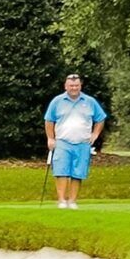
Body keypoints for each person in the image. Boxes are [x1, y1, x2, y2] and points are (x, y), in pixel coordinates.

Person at [42, 74, 108, 207]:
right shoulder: (57, 101)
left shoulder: (89, 101)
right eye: (71, 85)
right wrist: (50, 138)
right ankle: (61, 200)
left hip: (83, 142)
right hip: (62, 141)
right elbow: (49, 120)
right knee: (61, 171)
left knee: (78, 173)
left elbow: (100, 118)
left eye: (76, 85)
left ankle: (72, 201)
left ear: (80, 86)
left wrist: (95, 134)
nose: (74, 88)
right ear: (65, 86)